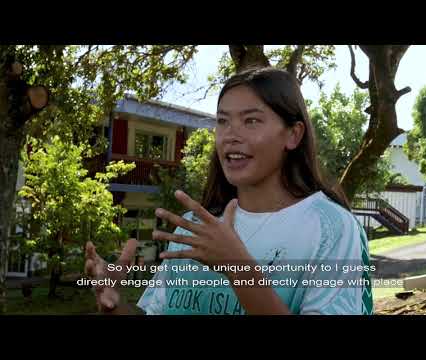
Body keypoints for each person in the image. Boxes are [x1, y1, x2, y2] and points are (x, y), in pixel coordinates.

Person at [85, 67, 374, 315]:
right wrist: (114, 304)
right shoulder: (195, 228)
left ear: (292, 134)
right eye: (222, 121)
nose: (231, 135)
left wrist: (239, 268)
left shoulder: (332, 228)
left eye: (251, 120)